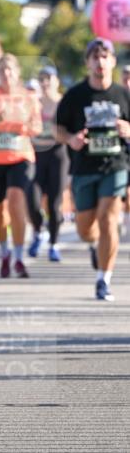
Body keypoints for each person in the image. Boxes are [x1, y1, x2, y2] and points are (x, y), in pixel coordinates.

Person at [55, 38, 130, 301]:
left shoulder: (124, 95)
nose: (100, 61)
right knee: (86, 228)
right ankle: (94, 245)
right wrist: (71, 139)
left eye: (105, 56)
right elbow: (59, 129)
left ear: (112, 61)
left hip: (115, 165)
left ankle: (103, 279)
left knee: (110, 219)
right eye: (95, 56)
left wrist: (128, 130)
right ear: (87, 62)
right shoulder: (75, 95)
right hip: (84, 168)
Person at [0, 54, 42, 278]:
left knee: (16, 201)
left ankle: (18, 256)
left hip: (21, 157)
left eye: (10, 70)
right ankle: (5, 251)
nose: (6, 75)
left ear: (17, 73)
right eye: (1, 70)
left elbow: (36, 127)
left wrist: (13, 126)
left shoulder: (28, 97)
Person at [27, 66, 69, 262]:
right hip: (36, 154)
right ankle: (38, 231)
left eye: (49, 78)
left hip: (58, 155)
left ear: (56, 81)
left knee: (54, 202)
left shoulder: (64, 102)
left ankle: (53, 244)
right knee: (32, 200)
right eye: (41, 78)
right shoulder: (33, 103)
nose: (45, 82)